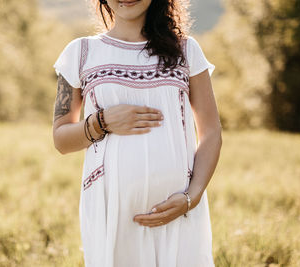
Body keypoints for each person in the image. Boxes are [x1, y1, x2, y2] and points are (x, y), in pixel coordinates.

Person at [52, 0, 222, 266]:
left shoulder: (186, 50)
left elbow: (211, 131)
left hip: (179, 208)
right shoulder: (81, 52)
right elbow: (61, 139)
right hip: (112, 212)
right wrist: (102, 121)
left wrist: (192, 196)